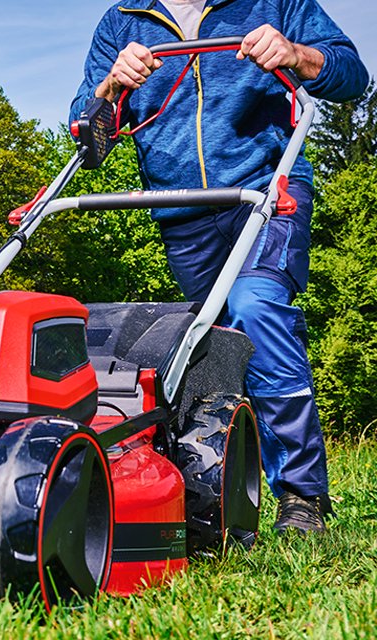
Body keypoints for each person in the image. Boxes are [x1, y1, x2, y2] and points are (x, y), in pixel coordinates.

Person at [70, 0, 368, 534]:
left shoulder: (273, 3)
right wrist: (112, 87)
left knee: (257, 309)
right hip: (182, 211)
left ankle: (303, 497)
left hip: (267, 191)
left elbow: (351, 75)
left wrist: (297, 55)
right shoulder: (123, 21)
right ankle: (218, 486)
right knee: (217, 346)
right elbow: (87, 137)